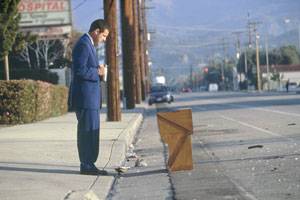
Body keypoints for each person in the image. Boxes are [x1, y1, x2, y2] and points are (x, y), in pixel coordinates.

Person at [68, 19, 109, 175]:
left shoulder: (88, 44)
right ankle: (86, 165)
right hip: (85, 99)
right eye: (104, 36)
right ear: (96, 31)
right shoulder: (84, 44)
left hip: (90, 98)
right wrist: (98, 72)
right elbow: (79, 71)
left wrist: (98, 71)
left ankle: (89, 164)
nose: (104, 40)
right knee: (87, 132)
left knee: (92, 131)